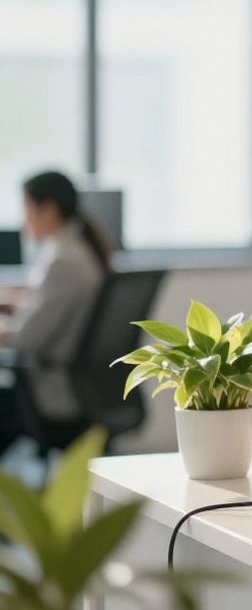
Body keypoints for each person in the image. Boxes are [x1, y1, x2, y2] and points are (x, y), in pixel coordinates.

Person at [0, 171, 111, 457]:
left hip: (51, 390)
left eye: (26, 208)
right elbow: (46, 305)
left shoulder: (64, 260)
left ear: (48, 209)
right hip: (77, 385)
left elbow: (26, 338)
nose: (23, 219)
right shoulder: (76, 249)